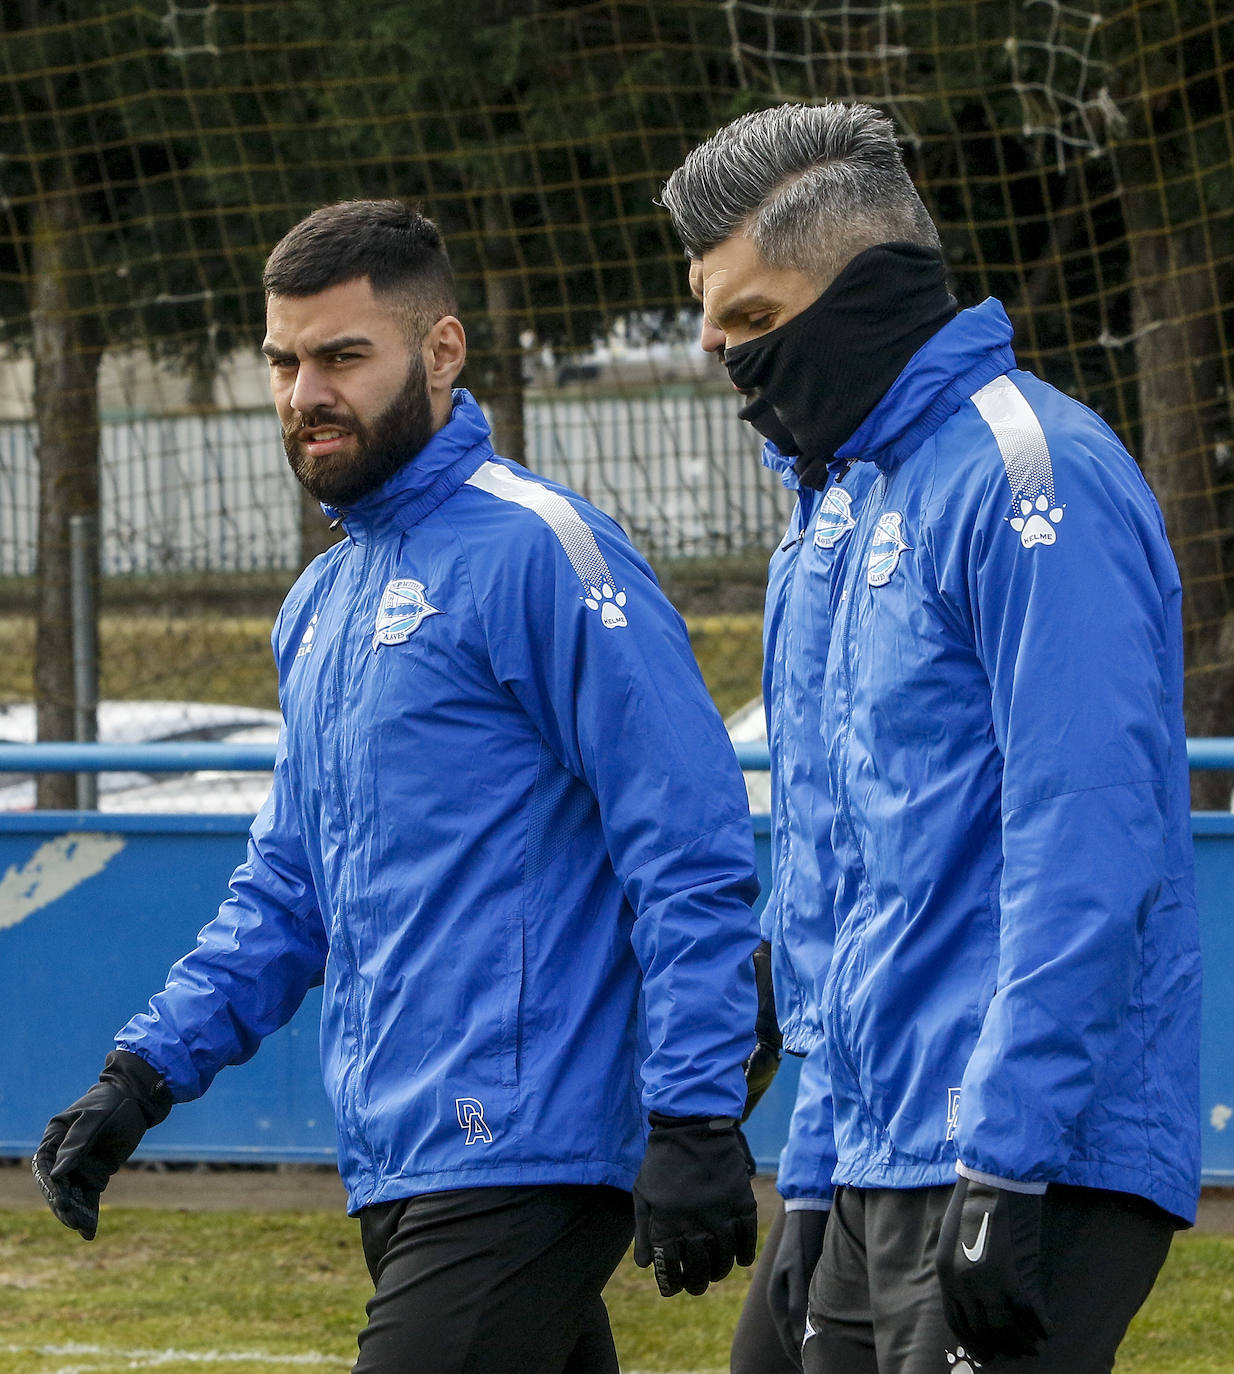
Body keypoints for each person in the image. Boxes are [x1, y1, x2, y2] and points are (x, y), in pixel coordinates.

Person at [31, 199, 765, 1374]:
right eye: (283, 361)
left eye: (340, 357)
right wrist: (141, 1076)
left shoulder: (543, 550)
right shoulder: (318, 606)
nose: (303, 391)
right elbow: (288, 889)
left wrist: (693, 1113)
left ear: (439, 351)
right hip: (400, 1156)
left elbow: (685, 842)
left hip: (527, 1150)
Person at [660, 102, 1202, 1374]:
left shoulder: (1032, 476)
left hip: (1026, 1151)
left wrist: (1008, 1158)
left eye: (750, 321)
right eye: (710, 322)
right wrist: (811, 1175)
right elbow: (836, 885)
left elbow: (1088, 838)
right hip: (868, 1151)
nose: (723, 357)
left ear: (862, 290)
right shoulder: (831, 516)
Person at [731, 1045, 834, 1374]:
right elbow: (832, 1045)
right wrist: (808, 1190)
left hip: (938, 1169)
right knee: (765, 1359)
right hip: (847, 1157)